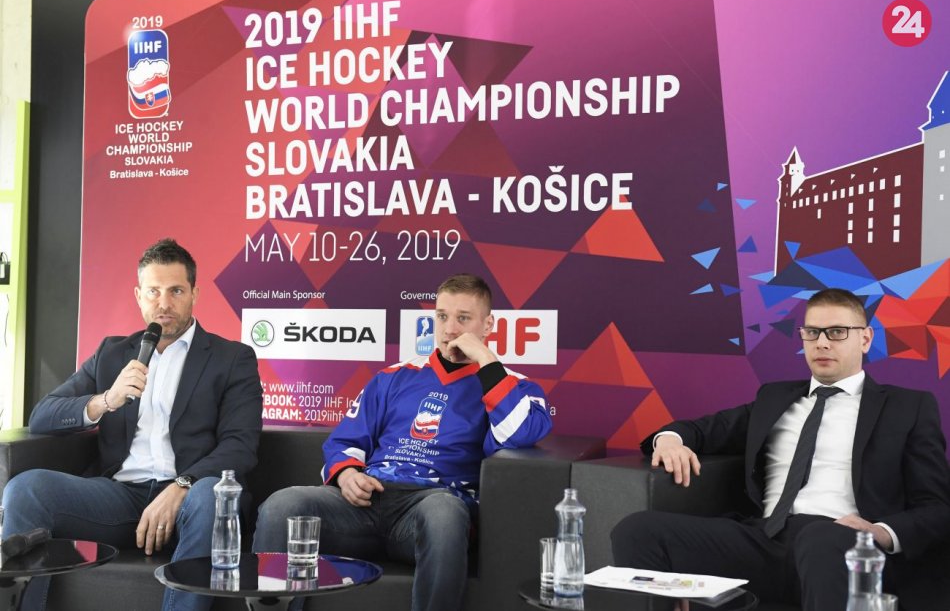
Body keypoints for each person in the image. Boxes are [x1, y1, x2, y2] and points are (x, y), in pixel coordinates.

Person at [611, 288, 950, 610]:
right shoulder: (774, 399)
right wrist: (670, 439)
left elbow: (936, 507)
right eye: (812, 333)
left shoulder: (908, 407)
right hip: (765, 539)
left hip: (844, 546)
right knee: (637, 531)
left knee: (820, 539)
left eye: (836, 332)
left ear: (865, 338)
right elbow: (704, 429)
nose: (821, 343)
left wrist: (878, 533)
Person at [253, 273, 552, 611]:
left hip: (430, 506)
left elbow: (520, 434)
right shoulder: (394, 376)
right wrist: (347, 475)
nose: (450, 329)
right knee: (283, 505)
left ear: (488, 325)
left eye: (463, 319)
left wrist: (486, 360)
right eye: (442, 316)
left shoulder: (515, 385)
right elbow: (344, 440)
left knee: (444, 513)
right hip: (367, 502)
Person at [2, 238, 264, 611]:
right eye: (154, 291)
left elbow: (240, 446)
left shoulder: (232, 358)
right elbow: (42, 415)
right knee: (27, 489)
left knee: (210, 495)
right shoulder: (112, 353)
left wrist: (181, 485)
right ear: (139, 296)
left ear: (194, 294)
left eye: (176, 291)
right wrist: (106, 399)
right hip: (120, 498)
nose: (164, 303)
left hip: (192, 500)